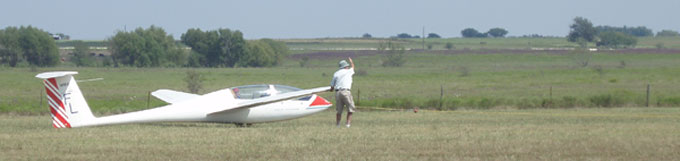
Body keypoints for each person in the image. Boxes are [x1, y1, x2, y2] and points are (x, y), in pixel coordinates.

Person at [330, 57, 356, 128]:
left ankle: (338, 125)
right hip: (346, 91)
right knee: (350, 109)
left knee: (339, 110)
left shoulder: (336, 73)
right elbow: (353, 67)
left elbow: (332, 85)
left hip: (338, 92)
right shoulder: (348, 71)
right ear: (346, 66)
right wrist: (351, 61)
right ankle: (347, 125)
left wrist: (331, 89)